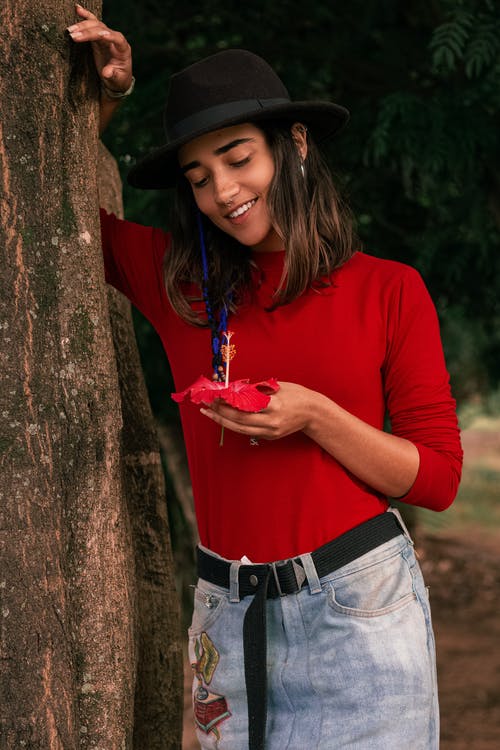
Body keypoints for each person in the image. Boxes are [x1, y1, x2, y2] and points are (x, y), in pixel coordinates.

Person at [69, 6, 462, 749]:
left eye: (238, 156)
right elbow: (48, 202)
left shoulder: (388, 289)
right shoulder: (179, 282)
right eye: (198, 176)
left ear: (295, 144)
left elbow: (437, 478)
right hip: (227, 617)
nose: (222, 189)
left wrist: (316, 416)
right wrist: (105, 100)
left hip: (359, 613)